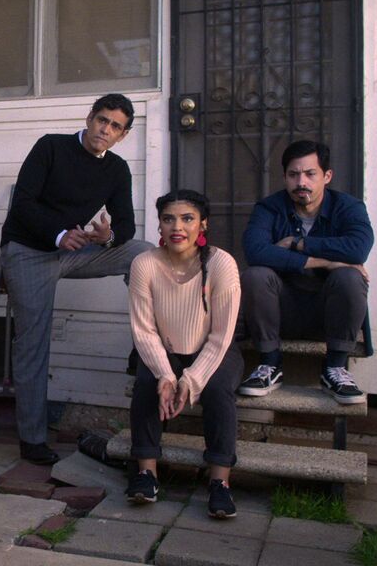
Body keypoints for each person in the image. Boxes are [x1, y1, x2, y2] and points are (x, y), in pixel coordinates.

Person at [0, 93, 154, 465]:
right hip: (28, 250)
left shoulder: (116, 169)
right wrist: (57, 234)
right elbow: (23, 204)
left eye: (115, 126)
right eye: (102, 120)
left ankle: (148, 341)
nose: (105, 130)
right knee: (33, 343)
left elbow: (126, 225)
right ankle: (32, 440)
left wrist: (108, 237)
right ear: (89, 118)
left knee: (143, 254)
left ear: (123, 135)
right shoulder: (51, 147)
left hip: (75, 250)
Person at [125, 190, 243, 519]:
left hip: (216, 349)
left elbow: (221, 336)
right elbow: (143, 330)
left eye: (187, 219)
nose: (177, 227)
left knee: (217, 389)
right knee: (147, 383)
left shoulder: (221, 263)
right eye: (168, 219)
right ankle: (146, 473)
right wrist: (166, 376)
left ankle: (220, 482)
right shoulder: (144, 264)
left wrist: (190, 381)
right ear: (160, 226)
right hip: (163, 349)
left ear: (202, 225)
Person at [237, 140, 373, 405]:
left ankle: (335, 367)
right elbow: (255, 252)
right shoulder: (269, 208)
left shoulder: (348, 207)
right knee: (256, 275)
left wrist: (299, 243)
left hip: (328, 315)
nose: (301, 182)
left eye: (310, 174)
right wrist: (325, 262)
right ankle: (270, 364)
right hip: (280, 312)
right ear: (284, 177)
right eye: (293, 174)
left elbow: (358, 249)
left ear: (327, 176)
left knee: (350, 276)